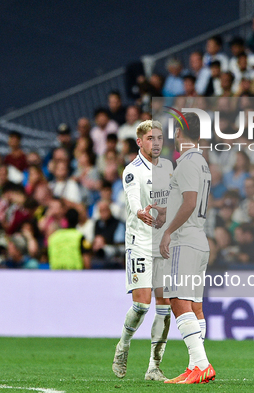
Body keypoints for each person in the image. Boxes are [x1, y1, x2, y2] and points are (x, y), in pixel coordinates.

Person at [112, 120, 174, 381]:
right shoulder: (132, 170)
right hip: (139, 243)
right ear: (139, 142)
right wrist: (139, 211)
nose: (156, 142)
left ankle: (154, 367)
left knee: (164, 306)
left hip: (163, 244)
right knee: (140, 304)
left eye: (159, 137)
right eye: (150, 138)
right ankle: (123, 345)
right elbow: (133, 197)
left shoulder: (168, 167)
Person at [159, 113, 215, 384]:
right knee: (194, 304)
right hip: (198, 239)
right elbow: (184, 201)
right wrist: (161, 211)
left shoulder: (188, 163)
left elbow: (190, 202)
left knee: (178, 301)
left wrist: (168, 230)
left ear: (180, 133)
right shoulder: (201, 162)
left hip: (185, 240)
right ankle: (195, 367)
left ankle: (202, 364)